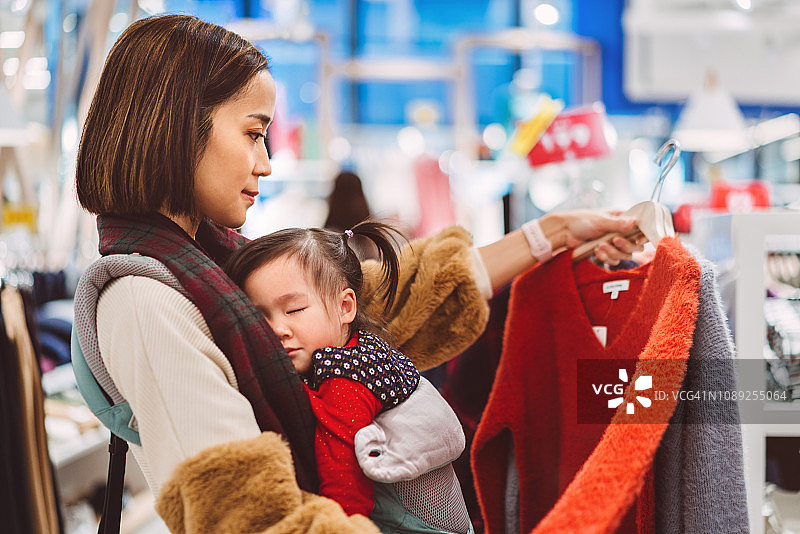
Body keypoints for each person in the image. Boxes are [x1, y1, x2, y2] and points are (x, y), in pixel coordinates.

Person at [73, 13, 643, 532]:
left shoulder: (215, 266)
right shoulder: (149, 302)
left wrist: (553, 235)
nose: (265, 162)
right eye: (252, 133)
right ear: (177, 127)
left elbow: (396, 298)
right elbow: (252, 519)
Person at [224, 220, 472, 533]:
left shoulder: (345, 383)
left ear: (345, 307)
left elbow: (344, 480)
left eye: (294, 309)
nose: (277, 329)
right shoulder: (363, 348)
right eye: (260, 316)